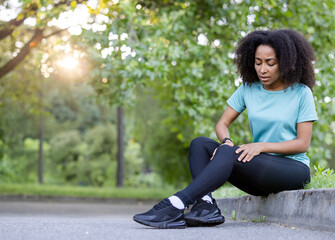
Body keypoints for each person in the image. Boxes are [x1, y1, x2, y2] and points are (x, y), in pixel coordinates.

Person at [133, 29, 317, 229]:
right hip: (258, 172)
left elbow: (302, 144)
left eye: (270, 63)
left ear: (287, 61)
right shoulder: (249, 88)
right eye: (258, 62)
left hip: (292, 170)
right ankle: (206, 205)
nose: (263, 69)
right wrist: (226, 142)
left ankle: (175, 204)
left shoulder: (301, 93)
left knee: (228, 154)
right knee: (200, 144)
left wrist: (260, 147)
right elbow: (222, 124)